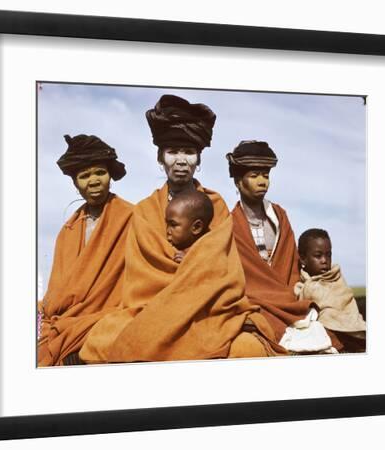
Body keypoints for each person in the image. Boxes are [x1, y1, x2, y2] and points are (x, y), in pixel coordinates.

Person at [80, 95, 281, 363]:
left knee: (248, 348)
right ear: (160, 158)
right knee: (102, 339)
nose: (181, 160)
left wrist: (194, 264)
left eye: (189, 152)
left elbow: (225, 270)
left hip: (208, 309)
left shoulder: (216, 205)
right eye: (172, 151)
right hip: (153, 307)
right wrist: (190, 269)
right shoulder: (145, 210)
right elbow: (143, 276)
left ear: (199, 158)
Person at [227, 140, 339, 354]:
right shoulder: (229, 224)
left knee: (318, 329)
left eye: (266, 175)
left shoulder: (279, 216)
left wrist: (290, 293)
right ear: (238, 182)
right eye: (254, 176)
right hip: (251, 297)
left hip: (286, 296)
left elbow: (290, 264)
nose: (262, 182)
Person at [37, 134, 133, 366]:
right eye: (84, 175)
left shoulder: (133, 217)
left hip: (112, 317)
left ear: (110, 175)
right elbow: (58, 289)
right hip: (67, 321)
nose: (94, 181)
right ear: (75, 183)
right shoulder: (68, 231)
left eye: (100, 172)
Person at [295, 228, 366, 352]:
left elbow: (345, 300)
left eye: (328, 255)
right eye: (318, 256)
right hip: (327, 330)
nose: (324, 260)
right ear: (303, 258)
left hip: (349, 325)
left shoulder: (335, 276)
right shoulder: (302, 285)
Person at [165, 190, 214, 263]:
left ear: (196, 227)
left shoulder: (211, 250)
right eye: (167, 224)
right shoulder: (168, 248)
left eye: (173, 225)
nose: (167, 231)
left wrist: (190, 263)